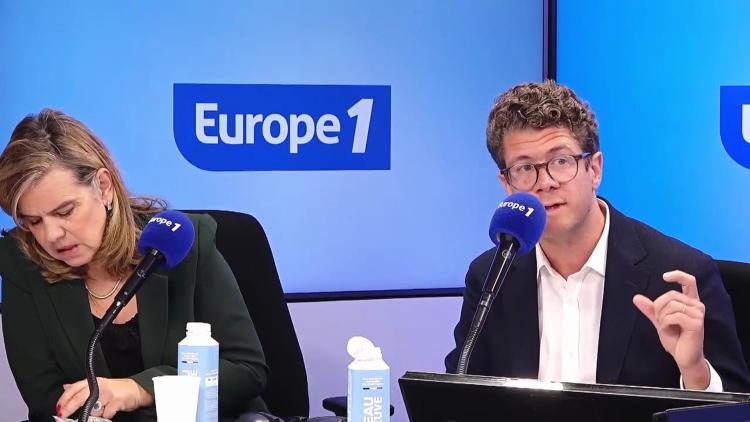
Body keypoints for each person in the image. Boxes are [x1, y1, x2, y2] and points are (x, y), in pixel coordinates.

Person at [445, 80, 750, 392]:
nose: (545, 182)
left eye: (560, 161)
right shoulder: (490, 277)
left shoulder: (679, 274)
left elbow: (737, 404)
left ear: (594, 169)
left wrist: (694, 370)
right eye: (524, 168)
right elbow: (458, 395)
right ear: (507, 184)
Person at [0, 109, 269, 421]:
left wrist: (138, 389)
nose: (51, 235)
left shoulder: (181, 242)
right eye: (33, 221)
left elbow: (246, 369)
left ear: (103, 187)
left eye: (65, 212)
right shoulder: (22, 264)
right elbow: (47, 400)